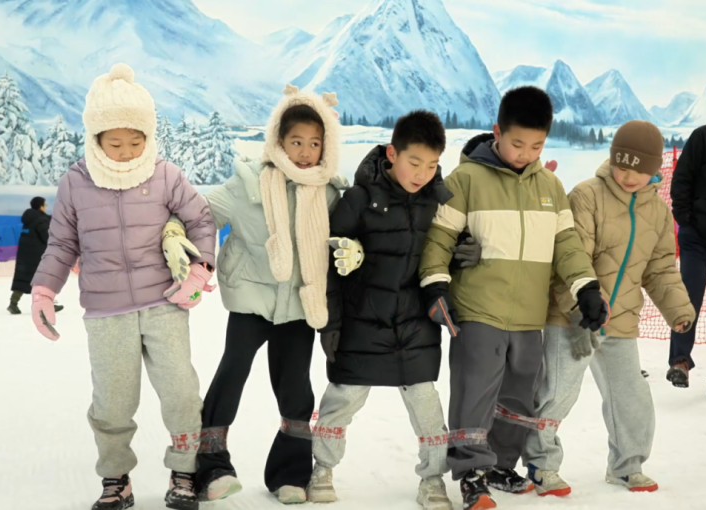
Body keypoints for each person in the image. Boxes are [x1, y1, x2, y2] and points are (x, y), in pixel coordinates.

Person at [30, 63, 216, 510]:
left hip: (164, 303)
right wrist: (43, 290)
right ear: (95, 138)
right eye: (115, 144)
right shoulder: (76, 181)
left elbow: (201, 219)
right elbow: (62, 243)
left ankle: (184, 472)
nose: (127, 152)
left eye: (136, 141)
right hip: (106, 310)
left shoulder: (165, 175)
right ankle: (116, 478)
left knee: (181, 392)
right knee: (113, 401)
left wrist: (199, 270)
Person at [418, 86, 607, 510]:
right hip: (478, 310)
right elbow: (439, 239)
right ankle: (471, 472)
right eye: (517, 143)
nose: (526, 154)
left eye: (536, 146)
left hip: (528, 315)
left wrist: (587, 288)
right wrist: (435, 285)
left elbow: (568, 246)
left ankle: (501, 464)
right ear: (497, 132)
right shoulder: (466, 180)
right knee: (475, 391)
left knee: (520, 394)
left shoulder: (551, 187)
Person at [308, 111, 476, 510]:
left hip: (416, 324)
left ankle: (432, 479)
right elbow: (327, 263)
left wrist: (463, 253)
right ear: (392, 154)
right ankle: (322, 469)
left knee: (427, 407)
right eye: (414, 162)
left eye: (432, 165)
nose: (422, 174)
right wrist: (330, 324)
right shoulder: (358, 200)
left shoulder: (439, 202)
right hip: (361, 322)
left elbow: (442, 252)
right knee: (342, 399)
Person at [189, 85, 346, 504]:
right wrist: (178, 241)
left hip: (299, 304)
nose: (305, 152)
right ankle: (210, 466)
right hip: (251, 300)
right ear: (278, 139)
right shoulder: (249, 182)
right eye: (296, 141)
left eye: (314, 143)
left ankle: (289, 474)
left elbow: (348, 238)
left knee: (296, 387)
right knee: (232, 373)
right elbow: (200, 215)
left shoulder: (329, 192)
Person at [522, 121, 696, 496]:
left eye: (638, 170)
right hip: (573, 317)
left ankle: (626, 465)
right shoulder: (587, 196)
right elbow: (570, 258)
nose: (628, 176)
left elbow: (660, 268)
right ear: (612, 159)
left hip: (622, 320)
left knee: (630, 395)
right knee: (558, 392)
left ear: (655, 170)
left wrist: (678, 309)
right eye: (621, 166)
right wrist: (581, 308)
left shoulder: (658, 212)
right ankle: (541, 464)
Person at [668, 105, 706, 396]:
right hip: (697, 237)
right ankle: (680, 361)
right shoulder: (704, 136)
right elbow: (682, 180)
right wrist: (686, 221)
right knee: (687, 299)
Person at [8, 196, 63, 315]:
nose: (46, 207)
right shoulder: (40, 220)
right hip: (37, 256)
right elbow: (47, 237)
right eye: (45, 204)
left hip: (25, 255)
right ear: (40, 206)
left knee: (23, 280)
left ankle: (13, 303)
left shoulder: (28, 220)